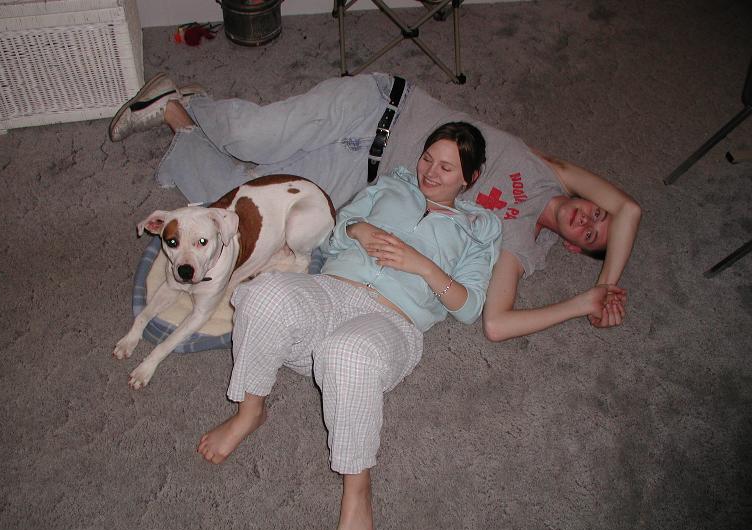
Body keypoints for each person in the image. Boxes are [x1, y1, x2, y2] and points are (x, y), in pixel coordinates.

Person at [108, 72, 640, 338]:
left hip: (360, 180)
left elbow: (495, 324)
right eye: (598, 211)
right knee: (251, 136)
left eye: (591, 234)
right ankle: (198, 105)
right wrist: (610, 281)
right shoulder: (552, 172)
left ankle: (174, 111)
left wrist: (587, 301)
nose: (588, 218)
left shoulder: (518, 243)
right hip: (381, 107)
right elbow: (631, 210)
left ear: (574, 248)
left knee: (246, 192)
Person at [193, 122, 501, 530]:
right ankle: (250, 411)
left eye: (446, 168)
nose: (430, 172)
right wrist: (358, 231)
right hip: (331, 293)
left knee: (348, 354)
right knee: (263, 295)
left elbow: (468, 308)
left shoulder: (478, 228)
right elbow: (336, 232)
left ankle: (357, 485)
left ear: (471, 177)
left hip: (392, 321)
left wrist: (422, 265)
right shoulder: (392, 185)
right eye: (427, 158)